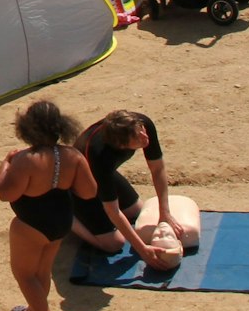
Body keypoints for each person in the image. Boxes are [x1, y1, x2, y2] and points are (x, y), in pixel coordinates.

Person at [0, 100, 96, 311]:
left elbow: (5, 193)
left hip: (31, 223)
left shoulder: (25, 160)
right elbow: (89, 192)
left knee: (25, 275)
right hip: (61, 220)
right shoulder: (72, 155)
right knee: (41, 272)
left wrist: (4, 165)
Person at [69, 110, 199, 263]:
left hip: (104, 175)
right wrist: (143, 250)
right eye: (137, 137)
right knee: (114, 244)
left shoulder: (142, 123)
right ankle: (66, 217)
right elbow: (113, 211)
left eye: (141, 131)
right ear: (122, 145)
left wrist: (165, 213)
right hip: (77, 183)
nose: (145, 137)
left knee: (136, 210)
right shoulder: (100, 155)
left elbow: (157, 169)